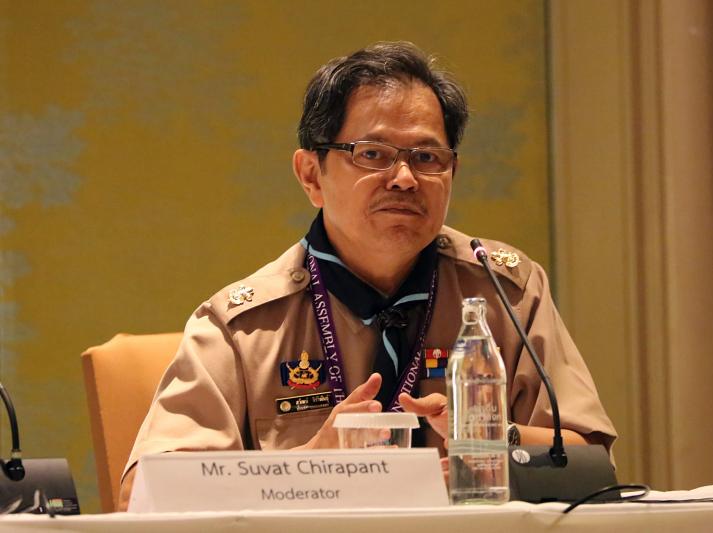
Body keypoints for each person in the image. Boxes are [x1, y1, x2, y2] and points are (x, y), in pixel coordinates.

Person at [118, 41, 616, 510]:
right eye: (372, 154)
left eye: (427, 157)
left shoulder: (505, 292)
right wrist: (310, 468)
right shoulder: (244, 326)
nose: (405, 178)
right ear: (311, 175)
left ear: (452, 174)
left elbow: (593, 466)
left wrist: (490, 440)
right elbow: (143, 495)